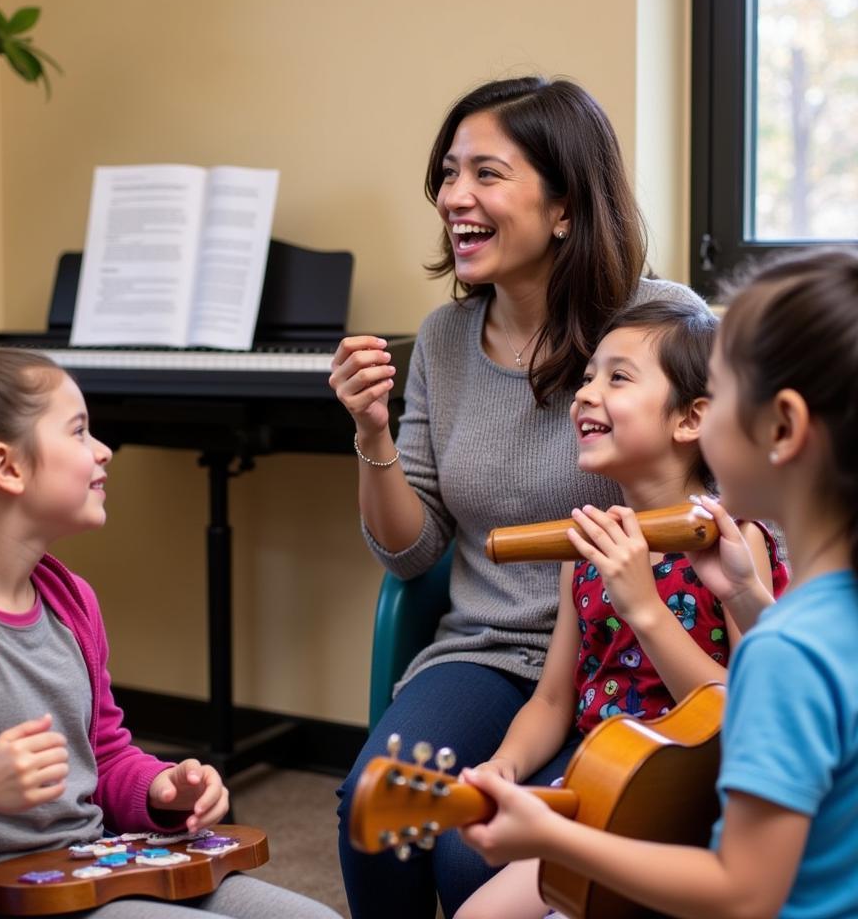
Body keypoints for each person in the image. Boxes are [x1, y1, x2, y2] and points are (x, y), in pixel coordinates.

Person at [329, 75, 709, 918]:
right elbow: (413, 550)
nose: (455, 197)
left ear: (565, 205)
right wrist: (371, 433)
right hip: (491, 653)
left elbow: (725, 505)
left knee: (477, 864)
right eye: (449, 173)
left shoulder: (663, 326)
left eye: (487, 174)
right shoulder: (444, 339)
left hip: (634, 653)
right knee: (372, 809)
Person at [0, 343, 341, 919]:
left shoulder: (71, 600)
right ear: (7, 467)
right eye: (77, 432)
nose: (102, 451)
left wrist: (160, 787)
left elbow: (102, 756)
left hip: (98, 867)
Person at [459, 247, 858, 919]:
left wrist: (555, 836)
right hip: (609, 774)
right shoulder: (818, 620)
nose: (586, 393)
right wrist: (744, 596)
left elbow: (742, 892)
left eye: (724, 392)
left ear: (782, 427)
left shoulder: (787, 648)